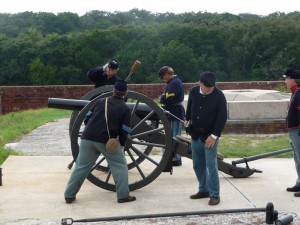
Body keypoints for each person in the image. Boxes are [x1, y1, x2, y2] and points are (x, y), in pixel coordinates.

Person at [64, 79, 136, 204]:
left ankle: (69, 195)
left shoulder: (101, 101)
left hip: (87, 138)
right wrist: (122, 145)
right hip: (105, 140)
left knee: (81, 166)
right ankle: (123, 195)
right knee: (120, 165)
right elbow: (125, 130)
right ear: (125, 93)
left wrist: (92, 128)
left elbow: (87, 117)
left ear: (113, 91)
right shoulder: (125, 109)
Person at [184, 71, 227, 206]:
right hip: (195, 134)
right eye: (207, 86)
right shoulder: (194, 92)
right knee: (197, 164)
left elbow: (222, 117)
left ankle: (215, 195)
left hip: (210, 136)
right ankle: (204, 189)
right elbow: (190, 108)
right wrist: (187, 121)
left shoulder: (219, 96)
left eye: (212, 86)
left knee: (211, 166)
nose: (210, 89)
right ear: (200, 83)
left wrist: (214, 136)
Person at [158, 66, 185, 166]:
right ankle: (174, 157)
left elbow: (169, 97)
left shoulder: (174, 83)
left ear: (167, 74)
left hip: (175, 111)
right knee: (173, 135)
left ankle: (176, 159)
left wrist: (162, 97)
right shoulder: (174, 81)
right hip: (173, 110)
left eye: (163, 76)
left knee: (175, 136)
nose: (163, 79)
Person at [283, 68, 300, 197]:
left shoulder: (299, 93)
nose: (285, 81)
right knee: (296, 158)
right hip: (293, 130)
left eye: (287, 79)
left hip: (298, 131)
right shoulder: (295, 93)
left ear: (293, 81)